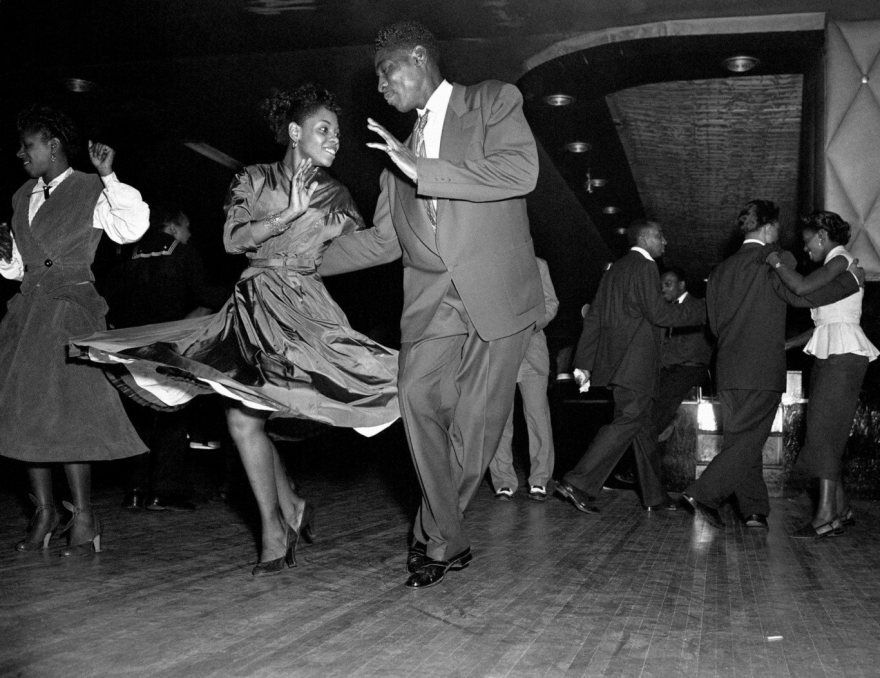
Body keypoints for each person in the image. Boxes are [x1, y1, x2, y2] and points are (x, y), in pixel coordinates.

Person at [70, 84, 399, 575]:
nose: (335, 140)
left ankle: (287, 508)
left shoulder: (336, 195)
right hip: (252, 305)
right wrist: (287, 214)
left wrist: (400, 185)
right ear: (295, 132)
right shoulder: (254, 178)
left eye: (337, 132)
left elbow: (367, 247)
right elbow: (232, 239)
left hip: (304, 311)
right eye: (324, 129)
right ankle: (275, 524)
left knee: (270, 413)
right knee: (242, 419)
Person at [317, 21, 544, 588]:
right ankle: (445, 532)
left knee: (475, 431)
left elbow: (521, 170)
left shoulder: (491, 100)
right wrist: (299, 259)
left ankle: (439, 537)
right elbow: (384, 241)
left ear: (418, 58)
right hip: (433, 303)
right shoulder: (397, 157)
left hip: (497, 296)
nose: (381, 87)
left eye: (386, 72)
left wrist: (426, 171)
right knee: (416, 397)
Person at [0, 104, 149, 556]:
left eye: (28, 146)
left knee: (69, 413)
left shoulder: (91, 187)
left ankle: (84, 515)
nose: (21, 154)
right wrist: (7, 253)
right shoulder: (22, 194)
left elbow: (131, 228)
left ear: (53, 146)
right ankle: (45, 511)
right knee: (24, 413)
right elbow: (17, 270)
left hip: (70, 312)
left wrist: (109, 176)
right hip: (27, 314)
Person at [682, 200, 862, 530]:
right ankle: (703, 494)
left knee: (740, 436)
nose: (781, 235)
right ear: (767, 229)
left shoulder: (720, 270)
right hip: (761, 367)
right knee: (750, 438)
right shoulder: (777, 260)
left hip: (727, 367)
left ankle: (753, 509)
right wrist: (851, 283)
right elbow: (801, 296)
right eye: (777, 228)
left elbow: (714, 325)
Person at [555, 220, 706, 514]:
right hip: (636, 367)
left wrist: (584, 363)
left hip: (619, 366)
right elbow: (659, 313)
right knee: (628, 421)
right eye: (662, 236)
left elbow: (595, 317)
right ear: (647, 237)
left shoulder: (616, 269)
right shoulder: (645, 266)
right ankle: (578, 482)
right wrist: (707, 309)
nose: (666, 242)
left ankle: (655, 496)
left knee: (644, 429)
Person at [104, 204, 227, 511]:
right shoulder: (184, 254)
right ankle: (165, 491)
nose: (189, 234)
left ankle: (135, 490)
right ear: (172, 227)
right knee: (174, 410)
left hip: (130, 346)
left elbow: (109, 300)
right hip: (168, 346)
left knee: (140, 414)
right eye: (186, 228)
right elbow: (204, 298)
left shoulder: (127, 255)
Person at [766, 211, 878, 538]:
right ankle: (841, 508)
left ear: (822, 237)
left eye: (807, 242)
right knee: (825, 430)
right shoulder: (835, 270)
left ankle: (827, 515)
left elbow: (801, 288)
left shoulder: (841, 261)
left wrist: (774, 260)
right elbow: (823, 323)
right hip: (835, 353)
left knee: (824, 432)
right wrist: (785, 344)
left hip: (844, 356)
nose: (806, 250)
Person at [489, 257, 558, 502]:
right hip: (499, 353)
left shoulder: (538, 264)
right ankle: (503, 481)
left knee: (538, 418)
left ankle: (540, 480)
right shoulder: (489, 263)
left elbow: (551, 303)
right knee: (499, 420)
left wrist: (530, 326)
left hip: (532, 353)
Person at [655, 268, 713, 439]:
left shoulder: (698, 307)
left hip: (690, 367)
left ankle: (661, 428)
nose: (663, 289)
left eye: (668, 284)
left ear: (681, 285)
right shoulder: (664, 309)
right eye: (661, 286)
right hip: (671, 367)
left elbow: (691, 349)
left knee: (658, 407)